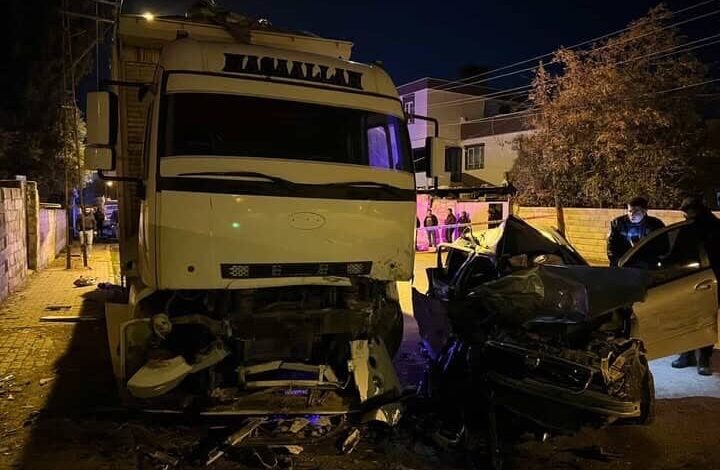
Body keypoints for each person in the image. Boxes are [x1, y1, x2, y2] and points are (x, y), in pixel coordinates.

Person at [671, 196, 720, 376]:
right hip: (700, 279)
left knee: (700, 319)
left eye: (687, 213)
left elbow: (677, 254)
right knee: (698, 318)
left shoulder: (704, 228)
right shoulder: (704, 226)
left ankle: (699, 357)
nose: (685, 217)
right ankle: (693, 356)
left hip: (702, 280)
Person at [607, 196, 665, 267]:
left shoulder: (655, 225)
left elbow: (662, 247)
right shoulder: (618, 223)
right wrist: (617, 262)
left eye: (636, 211)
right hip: (622, 265)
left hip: (645, 266)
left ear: (644, 211)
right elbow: (611, 246)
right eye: (630, 211)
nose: (632, 215)